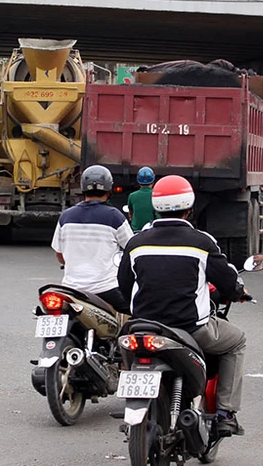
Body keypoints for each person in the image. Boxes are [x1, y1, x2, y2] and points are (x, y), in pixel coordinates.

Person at [117, 174, 249, 437]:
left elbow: (124, 284)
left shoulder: (135, 243)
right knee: (237, 341)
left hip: (143, 327)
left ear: (156, 206)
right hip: (191, 328)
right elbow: (228, 281)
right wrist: (239, 292)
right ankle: (225, 413)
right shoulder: (202, 242)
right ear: (190, 207)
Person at [51, 165, 132, 313]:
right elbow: (131, 248)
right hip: (106, 290)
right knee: (133, 313)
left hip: (70, 289)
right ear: (109, 189)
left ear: (83, 188)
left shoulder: (66, 216)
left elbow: (60, 255)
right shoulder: (114, 216)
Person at [126, 166, 156, 232]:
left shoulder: (132, 196)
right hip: (151, 231)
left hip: (135, 232)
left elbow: (130, 213)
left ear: (138, 181)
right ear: (153, 181)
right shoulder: (155, 195)